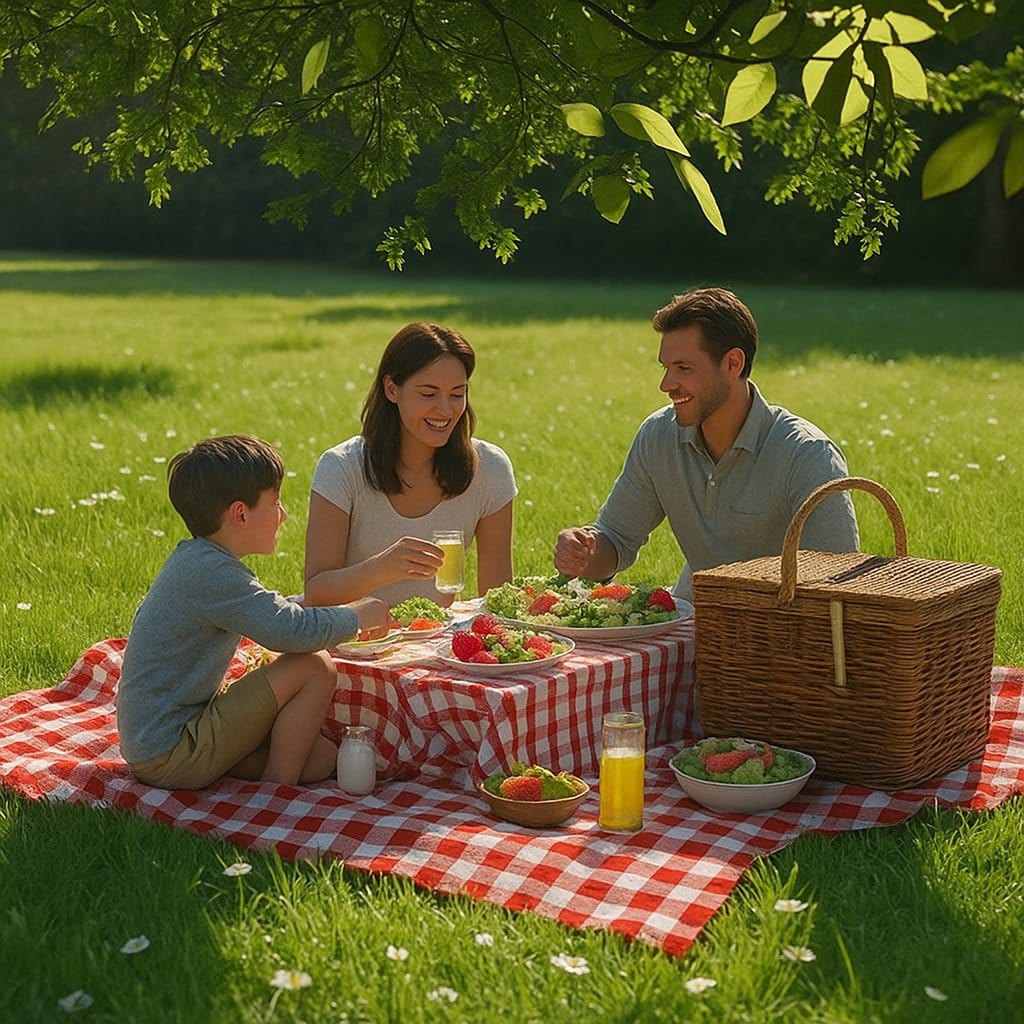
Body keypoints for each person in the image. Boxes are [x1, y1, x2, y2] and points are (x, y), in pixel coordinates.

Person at [116, 434, 389, 791]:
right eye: (275, 502)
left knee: (320, 757)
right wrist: (357, 617)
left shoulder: (200, 560)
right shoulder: (213, 573)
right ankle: (276, 795)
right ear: (240, 514)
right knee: (313, 665)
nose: (284, 514)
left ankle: (268, 776)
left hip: (161, 744)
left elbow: (269, 610)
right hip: (172, 750)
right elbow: (289, 632)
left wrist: (310, 606)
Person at [554, 287, 859, 598]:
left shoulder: (807, 456)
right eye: (666, 368)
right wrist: (584, 553)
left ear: (733, 364)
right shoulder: (658, 436)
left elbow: (836, 583)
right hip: (692, 622)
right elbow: (616, 538)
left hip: (778, 634)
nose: (666, 385)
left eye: (683, 368)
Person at [304, 322, 517, 607]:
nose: (445, 409)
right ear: (392, 389)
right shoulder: (342, 468)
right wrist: (381, 568)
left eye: (457, 394)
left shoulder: (490, 469)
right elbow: (317, 592)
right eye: (428, 394)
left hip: (434, 639)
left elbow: (498, 597)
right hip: (353, 640)